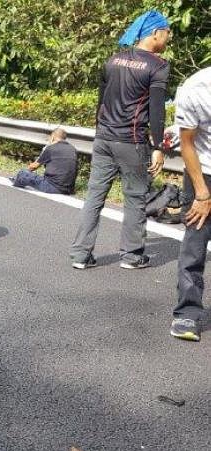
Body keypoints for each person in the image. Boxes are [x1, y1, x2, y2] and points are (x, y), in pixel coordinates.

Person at [69, 10, 171, 270]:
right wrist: (158, 146)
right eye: (167, 32)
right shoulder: (157, 66)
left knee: (94, 195)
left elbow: (100, 102)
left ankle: (80, 255)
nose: (168, 37)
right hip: (131, 141)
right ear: (155, 33)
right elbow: (157, 110)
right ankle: (132, 255)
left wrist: (100, 130)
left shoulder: (112, 61)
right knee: (135, 197)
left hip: (103, 138)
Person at [169, 66, 211, 341]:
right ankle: (188, 312)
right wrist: (202, 194)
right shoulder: (197, 89)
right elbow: (186, 143)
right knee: (195, 244)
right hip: (204, 170)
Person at [11, 128, 78, 194]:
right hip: (68, 189)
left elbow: (33, 167)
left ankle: (16, 180)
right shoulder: (73, 149)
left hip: (52, 186)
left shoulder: (51, 148)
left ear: (53, 136)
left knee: (23, 173)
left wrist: (26, 171)